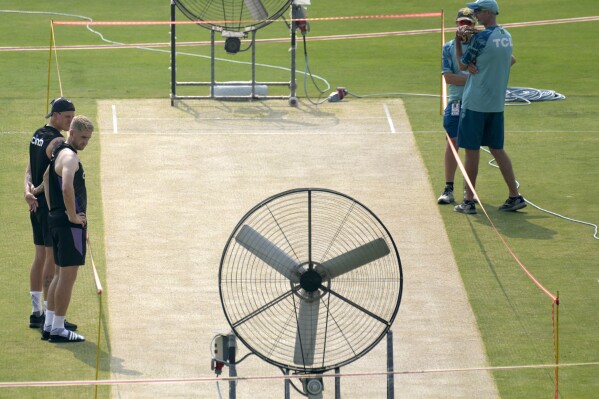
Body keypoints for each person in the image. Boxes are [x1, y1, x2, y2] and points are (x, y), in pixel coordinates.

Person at [453, 0, 525, 214]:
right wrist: (485, 64)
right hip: (496, 104)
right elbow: (510, 60)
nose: (474, 15)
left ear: (488, 12)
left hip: (475, 103)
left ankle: (468, 200)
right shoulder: (506, 36)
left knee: (472, 152)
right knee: (497, 149)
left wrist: (458, 42)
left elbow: (462, 65)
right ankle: (515, 195)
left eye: (477, 11)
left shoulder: (482, 37)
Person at [24, 97, 77, 332]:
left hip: (34, 206)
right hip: (46, 207)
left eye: (72, 117)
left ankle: (37, 312)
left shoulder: (37, 134)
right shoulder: (56, 142)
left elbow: (29, 167)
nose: (70, 121)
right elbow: (48, 175)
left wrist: (27, 190)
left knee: (39, 258)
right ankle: (50, 315)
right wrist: (36, 190)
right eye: (67, 117)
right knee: (52, 261)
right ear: (55, 116)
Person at [42, 115, 94, 343]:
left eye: (89, 138)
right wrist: (72, 216)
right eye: (83, 137)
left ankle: (50, 325)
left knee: (59, 275)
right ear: (71, 132)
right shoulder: (71, 157)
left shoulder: (58, 152)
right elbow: (66, 187)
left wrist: (53, 210)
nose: (85, 142)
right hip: (68, 225)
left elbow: (46, 176)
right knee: (67, 278)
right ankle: (59, 329)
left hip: (56, 221)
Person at [438, 8, 477, 205]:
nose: (464, 27)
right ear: (456, 24)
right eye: (461, 23)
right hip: (456, 102)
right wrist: (474, 79)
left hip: (477, 103)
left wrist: (467, 79)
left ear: (474, 25)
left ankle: (469, 193)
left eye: (468, 23)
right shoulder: (448, 47)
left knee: (472, 146)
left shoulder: (480, 45)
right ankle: (448, 188)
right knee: (453, 142)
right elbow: (449, 77)